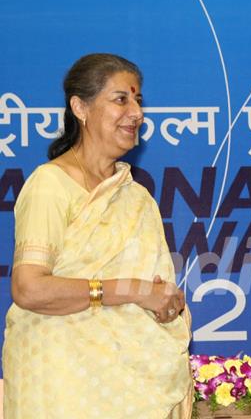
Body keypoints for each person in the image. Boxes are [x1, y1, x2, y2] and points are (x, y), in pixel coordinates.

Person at [3, 53, 193, 418]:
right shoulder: (50, 185)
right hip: (60, 384)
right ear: (80, 107)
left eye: (138, 100)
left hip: (128, 388)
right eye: (121, 99)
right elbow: (29, 289)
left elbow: (156, 289)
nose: (136, 112)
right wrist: (134, 291)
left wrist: (166, 303)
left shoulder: (135, 196)